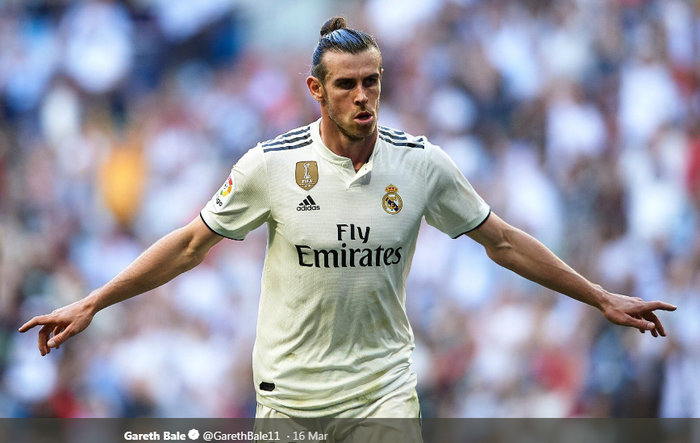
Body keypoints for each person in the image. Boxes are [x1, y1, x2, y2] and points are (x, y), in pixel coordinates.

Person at [20, 15, 675, 438]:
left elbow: (501, 241)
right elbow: (191, 244)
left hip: (383, 392)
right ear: (315, 89)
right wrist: (95, 300)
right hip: (291, 399)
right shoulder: (269, 165)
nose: (363, 97)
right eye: (347, 86)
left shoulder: (421, 165)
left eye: (373, 82)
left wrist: (600, 296)